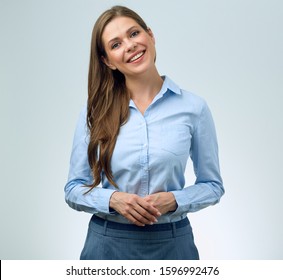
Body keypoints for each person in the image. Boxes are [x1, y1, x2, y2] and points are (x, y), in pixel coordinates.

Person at [64, 5, 224, 260]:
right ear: (107, 61)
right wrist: (114, 199)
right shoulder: (94, 111)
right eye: (115, 45)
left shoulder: (194, 108)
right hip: (106, 246)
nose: (129, 45)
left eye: (134, 33)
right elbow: (73, 189)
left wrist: (175, 200)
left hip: (174, 245)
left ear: (150, 35)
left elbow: (213, 186)